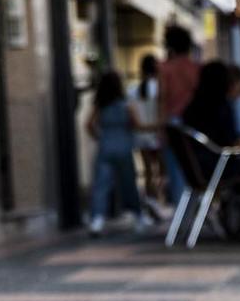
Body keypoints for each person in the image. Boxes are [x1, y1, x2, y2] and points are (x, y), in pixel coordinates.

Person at [83, 70, 145, 236]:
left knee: (100, 185)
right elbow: (137, 124)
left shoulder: (100, 105)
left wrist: (100, 136)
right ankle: (138, 216)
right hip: (124, 147)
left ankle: (97, 220)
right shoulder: (127, 104)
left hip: (105, 146)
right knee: (129, 183)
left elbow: (89, 125)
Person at [158, 26, 202, 203]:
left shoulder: (165, 69)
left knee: (176, 169)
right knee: (195, 166)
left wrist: (160, 127)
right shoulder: (196, 68)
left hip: (173, 122)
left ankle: (181, 209)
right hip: (195, 121)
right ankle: (196, 207)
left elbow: (162, 98)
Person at [130, 53, 166, 225]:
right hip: (156, 134)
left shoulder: (133, 90)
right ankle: (158, 201)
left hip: (140, 136)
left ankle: (151, 202)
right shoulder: (159, 88)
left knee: (148, 172)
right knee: (160, 170)